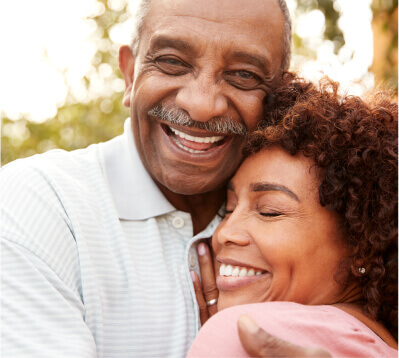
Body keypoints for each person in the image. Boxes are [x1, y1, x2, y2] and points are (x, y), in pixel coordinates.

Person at [1, 0, 299, 356]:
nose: (201, 105)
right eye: (172, 62)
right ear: (129, 76)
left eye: (244, 75)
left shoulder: (310, 225)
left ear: (283, 97)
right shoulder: (38, 205)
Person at [189, 74, 398, 357]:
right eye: (228, 209)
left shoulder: (243, 333)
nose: (223, 232)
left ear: (362, 248)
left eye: (269, 211)